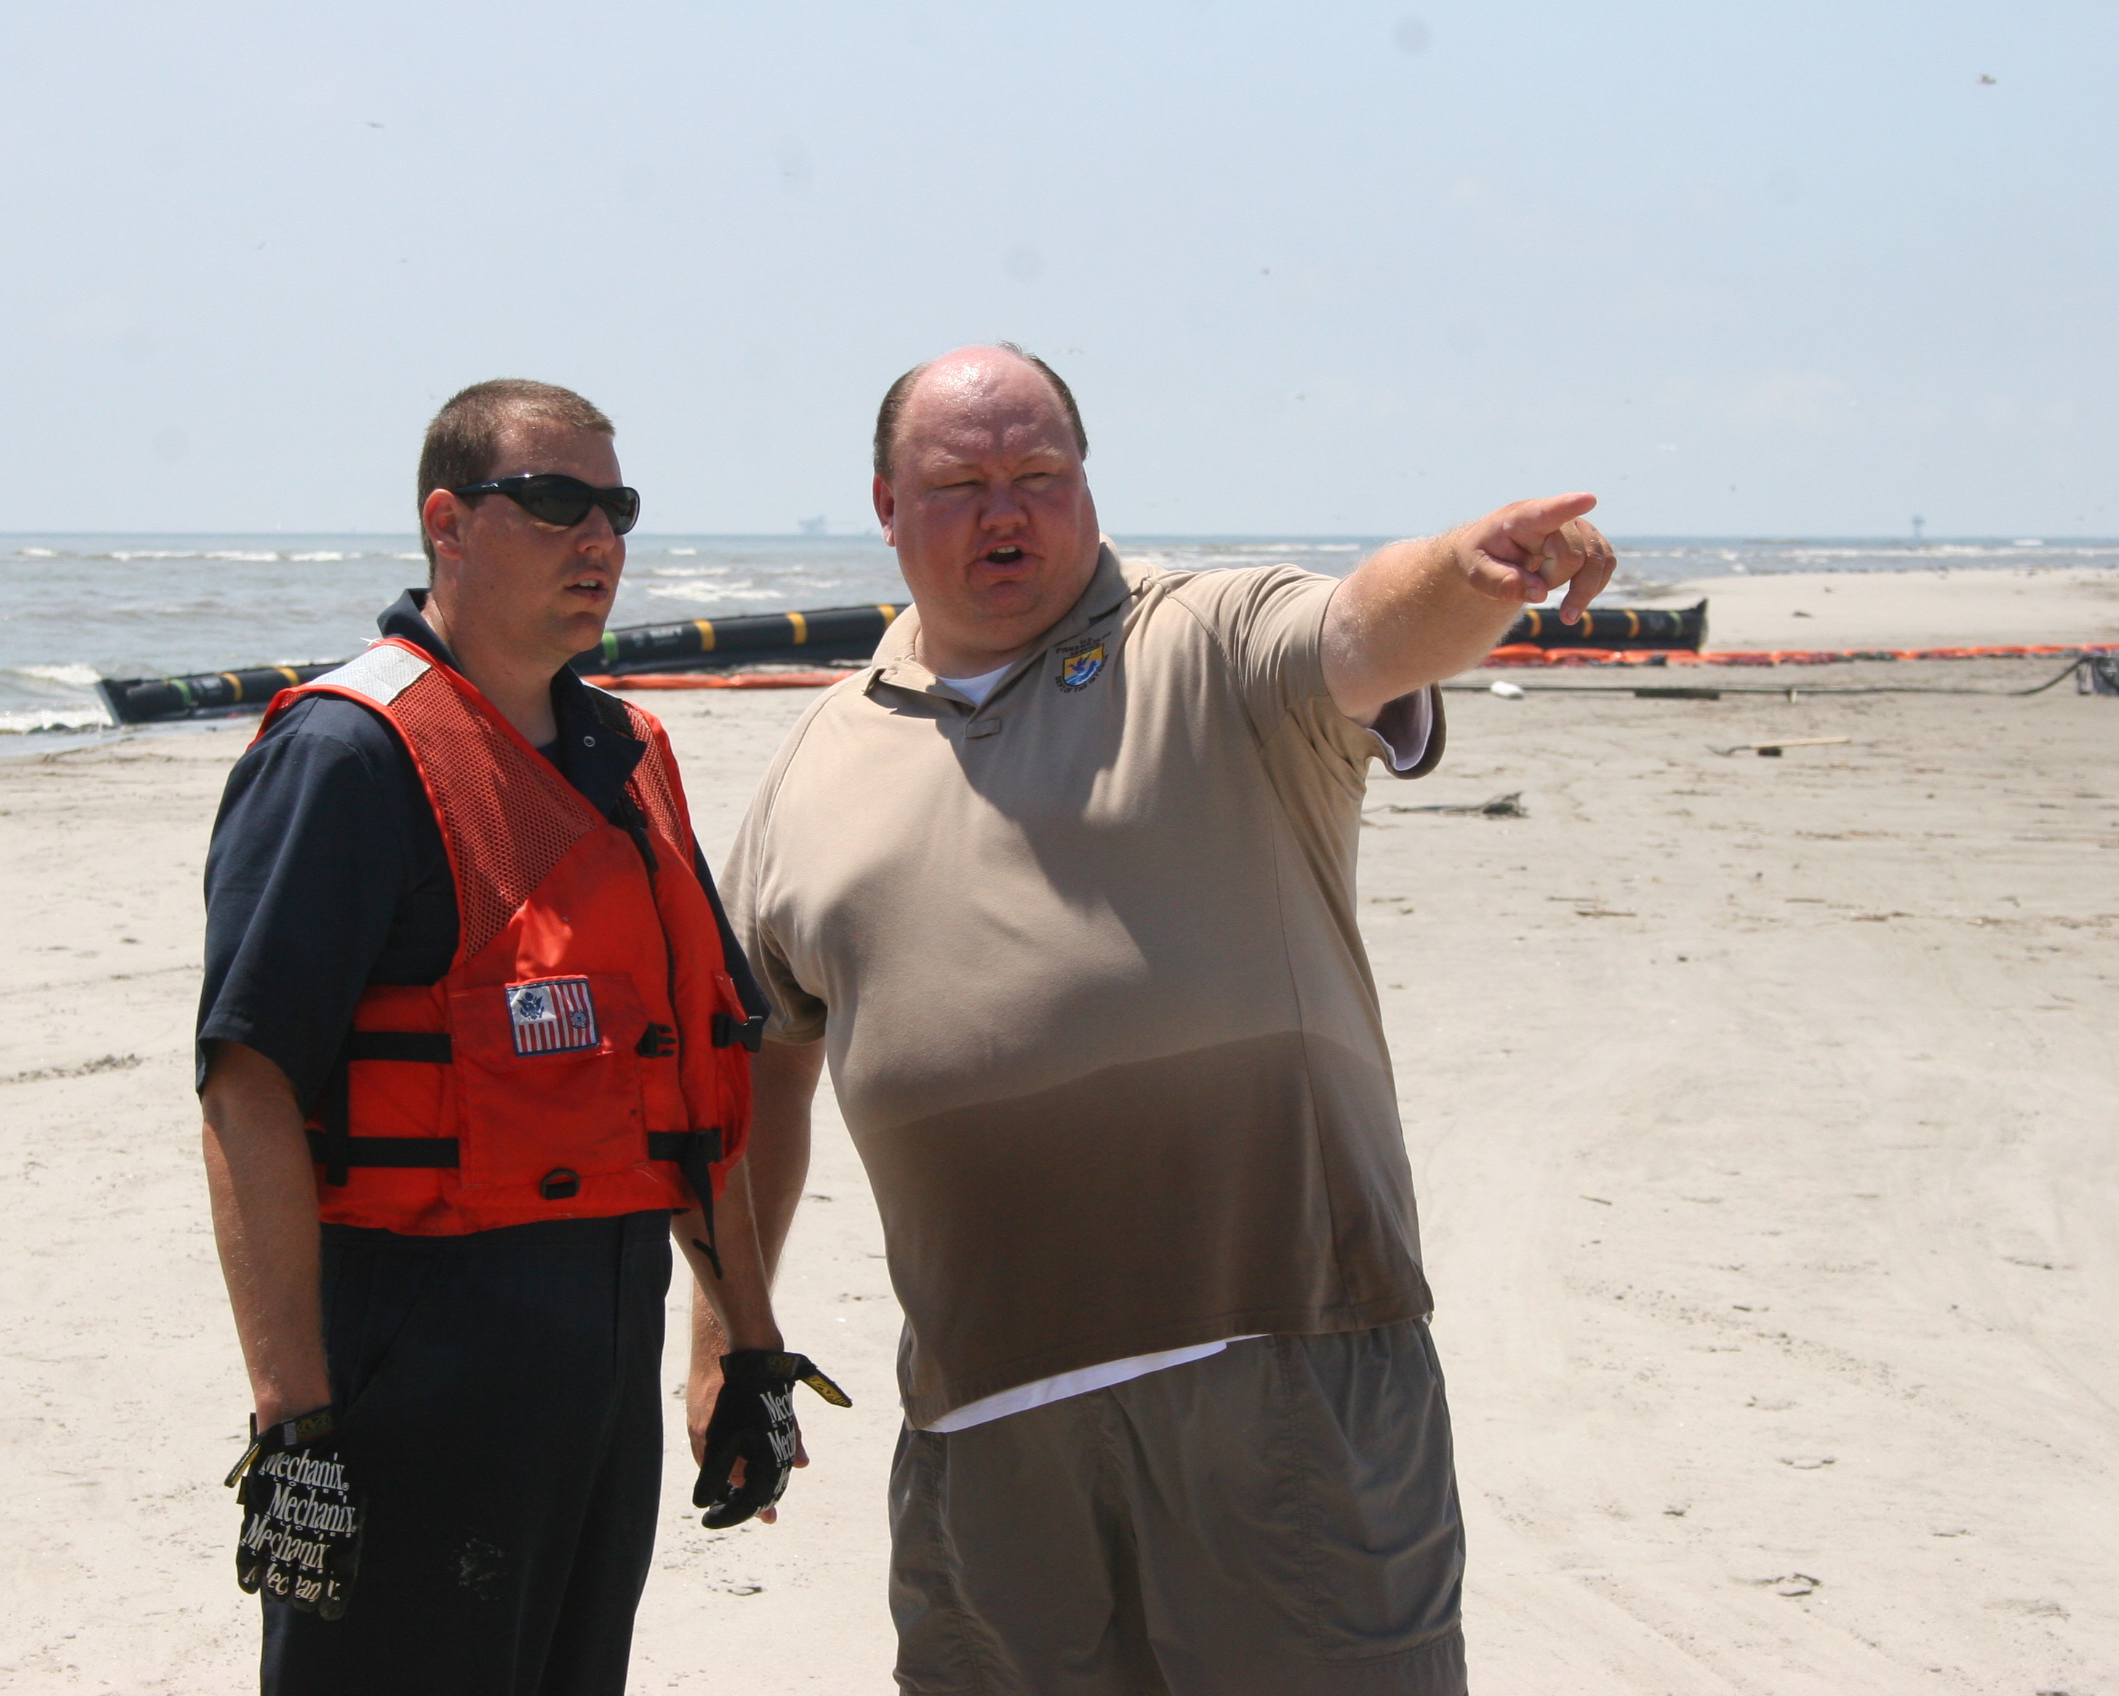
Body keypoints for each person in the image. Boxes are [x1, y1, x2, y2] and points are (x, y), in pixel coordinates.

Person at [696, 345, 1616, 1694]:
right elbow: (751, 1069)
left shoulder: (1211, 638)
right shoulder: (814, 763)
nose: (1006, 513)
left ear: (1088, 482)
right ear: (887, 508)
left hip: (1279, 1373)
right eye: (959, 486)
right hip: (983, 1422)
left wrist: (1467, 573)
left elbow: (1365, 629)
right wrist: (730, 1339)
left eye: (1039, 475)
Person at [198, 378, 841, 1696]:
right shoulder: (347, 754)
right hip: (412, 1356)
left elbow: (696, 1079)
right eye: (553, 503)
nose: (597, 539)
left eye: (617, 508)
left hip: (601, 1357)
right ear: (446, 523)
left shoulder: (632, 755)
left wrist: (747, 1350)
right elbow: (246, 1084)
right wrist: (293, 1425)